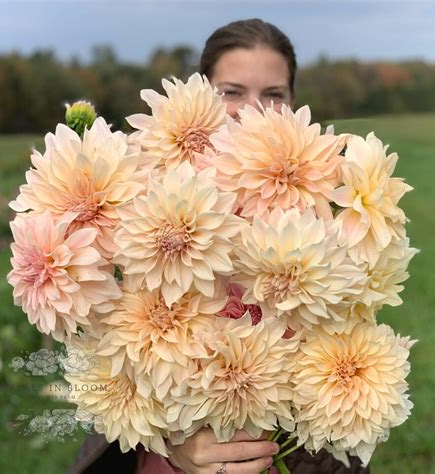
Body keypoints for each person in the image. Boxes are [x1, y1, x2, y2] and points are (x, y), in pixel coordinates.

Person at [69, 19, 370, 474]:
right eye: (232, 91)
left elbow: (346, 349)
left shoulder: (328, 200)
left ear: (293, 101)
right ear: (204, 94)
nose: (253, 109)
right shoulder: (142, 187)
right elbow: (104, 349)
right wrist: (171, 439)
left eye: (273, 93)